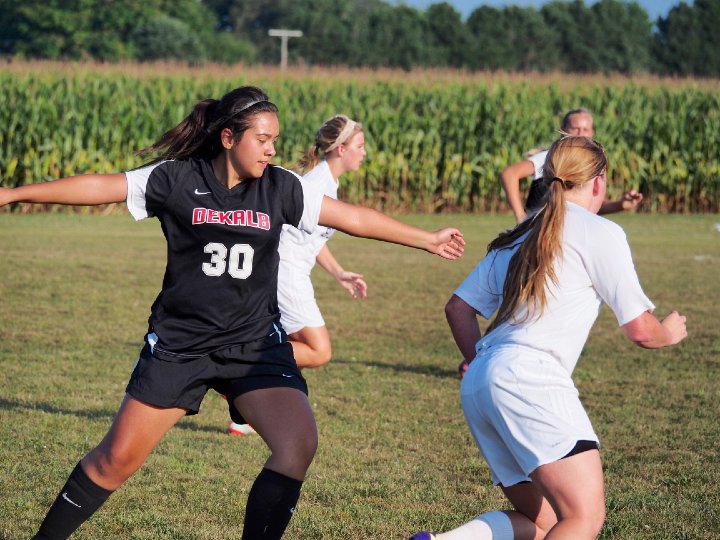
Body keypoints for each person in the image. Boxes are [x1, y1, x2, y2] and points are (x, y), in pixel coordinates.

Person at [0, 85, 465, 540]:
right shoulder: (177, 178)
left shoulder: (280, 187)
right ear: (228, 137)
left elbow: (353, 217)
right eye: (262, 139)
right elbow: (104, 186)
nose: (271, 150)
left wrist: (425, 238)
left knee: (297, 445)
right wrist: (12, 194)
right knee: (114, 461)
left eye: (275, 140)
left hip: (254, 344)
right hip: (182, 344)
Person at [410, 135, 686, 540]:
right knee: (583, 517)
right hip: (530, 378)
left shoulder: (521, 232)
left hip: (481, 382)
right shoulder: (600, 232)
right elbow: (642, 330)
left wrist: (483, 365)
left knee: (545, 524)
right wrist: (670, 333)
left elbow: (458, 308)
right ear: (598, 182)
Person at [228, 114, 368, 436]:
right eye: (359, 146)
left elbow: (312, 240)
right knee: (319, 350)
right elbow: (282, 234)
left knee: (289, 345)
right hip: (287, 275)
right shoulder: (317, 184)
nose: (363, 153)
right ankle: (237, 363)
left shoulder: (328, 183)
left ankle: (244, 412)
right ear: (341, 149)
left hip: (292, 274)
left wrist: (339, 273)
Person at [500, 108, 643, 224]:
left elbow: (586, 205)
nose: (580, 134)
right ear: (563, 129)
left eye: (585, 129)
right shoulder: (553, 156)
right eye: (575, 128)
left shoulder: (589, 163)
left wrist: (620, 205)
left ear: (592, 132)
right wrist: (521, 217)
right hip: (540, 229)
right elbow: (509, 174)